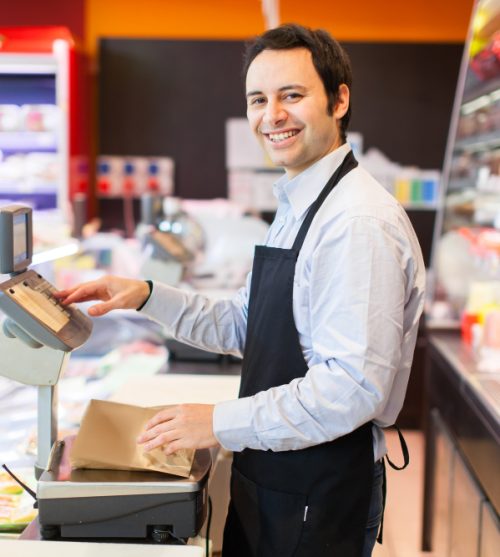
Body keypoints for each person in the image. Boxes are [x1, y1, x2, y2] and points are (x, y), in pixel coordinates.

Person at [56, 24, 425, 557]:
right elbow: (245, 323)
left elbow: (350, 389)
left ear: (339, 99)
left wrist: (217, 421)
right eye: (259, 99)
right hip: (279, 472)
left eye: (292, 96)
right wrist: (146, 295)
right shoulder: (301, 202)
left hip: (317, 488)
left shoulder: (357, 222)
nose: (271, 116)